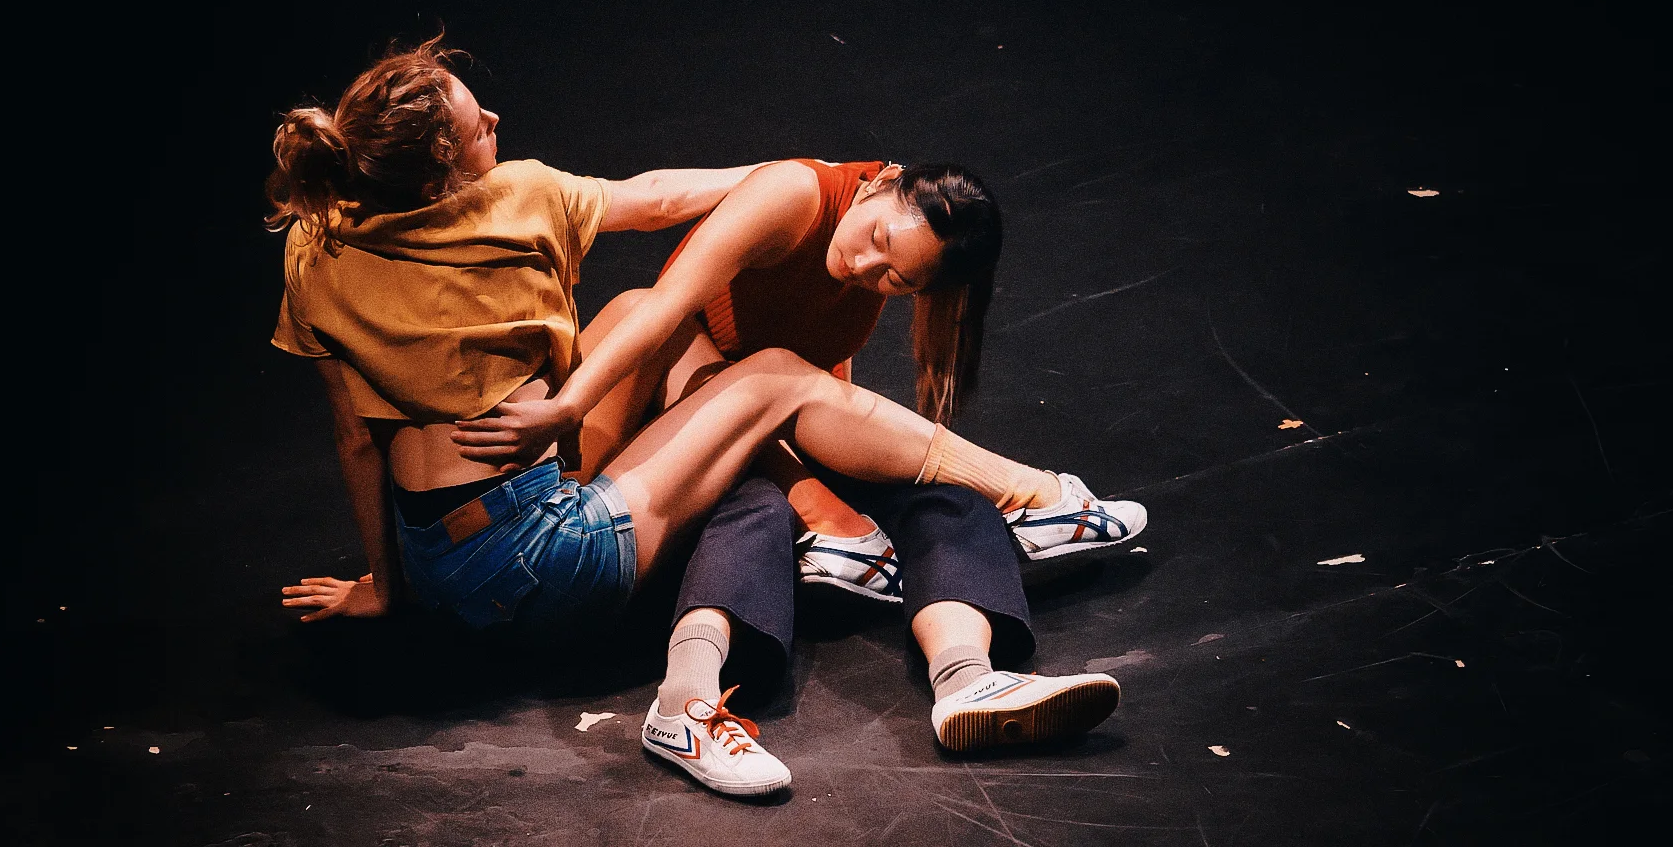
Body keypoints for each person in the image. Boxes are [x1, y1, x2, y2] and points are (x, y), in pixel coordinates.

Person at [272, 39, 1128, 796]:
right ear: (444, 175)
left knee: (882, 481)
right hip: (545, 554)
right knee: (762, 441)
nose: (495, 113)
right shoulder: (517, 195)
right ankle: (1038, 499)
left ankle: (964, 674)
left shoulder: (314, 245)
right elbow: (653, 216)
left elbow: (356, 436)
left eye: (893, 279)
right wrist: (799, 184)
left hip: (442, 557)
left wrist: (388, 586)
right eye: (476, 122)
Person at [442, 155, 1149, 795]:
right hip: (678, 442)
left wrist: (835, 491)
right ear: (879, 183)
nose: (866, 266)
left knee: (948, 499)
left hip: (768, 422)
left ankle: (967, 679)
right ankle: (685, 701)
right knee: (754, 509)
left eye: (895, 278)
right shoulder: (795, 197)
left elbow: (820, 390)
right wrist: (807, 497)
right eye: (876, 239)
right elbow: (665, 311)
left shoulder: (861, 277)